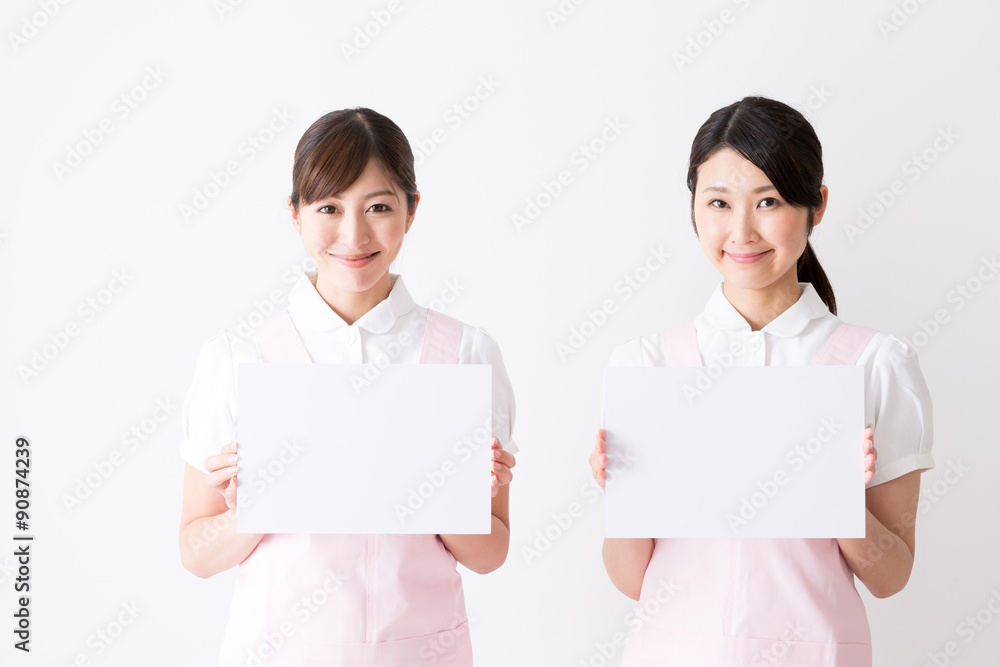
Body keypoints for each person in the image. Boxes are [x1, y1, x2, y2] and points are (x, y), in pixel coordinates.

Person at [589, 96, 934, 666]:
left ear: (816, 205)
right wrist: (624, 492)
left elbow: (892, 575)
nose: (741, 231)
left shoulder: (876, 364)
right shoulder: (647, 366)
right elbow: (631, 580)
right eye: (719, 202)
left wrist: (836, 495)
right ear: (694, 208)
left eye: (768, 201)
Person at [178, 107, 517, 667]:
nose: (353, 235)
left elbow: (490, 553)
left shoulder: (466, 355)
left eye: (379, 207)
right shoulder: (239, 359)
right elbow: (194, 551)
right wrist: (254, 508)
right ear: (295, 215)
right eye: (329, 208)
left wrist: (447, 492)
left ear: (412, 211)